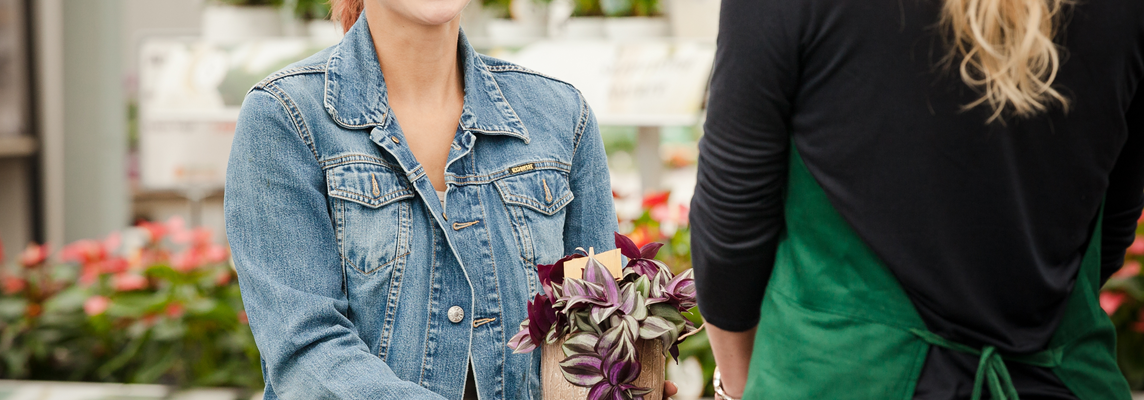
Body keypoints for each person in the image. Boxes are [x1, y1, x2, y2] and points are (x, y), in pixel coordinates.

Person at [691, 0, 1144, 399]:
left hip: (845, 379)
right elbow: (1118, 211)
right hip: (1061, 381)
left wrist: (737, 383)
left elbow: (733, 217)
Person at [223, 0, 631, 398]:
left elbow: (598, 319)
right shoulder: (286, 115)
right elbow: (306, 348)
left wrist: (630, 379)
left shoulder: (560, 114)